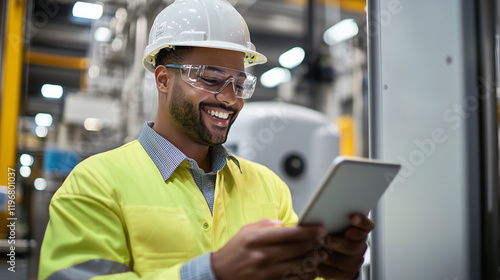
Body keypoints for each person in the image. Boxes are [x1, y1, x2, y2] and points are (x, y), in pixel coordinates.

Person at [38, 0, 373, 279]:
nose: (230, 99)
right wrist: (210, 272)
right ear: (163, 79)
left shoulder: (270, 189)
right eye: (212, 79)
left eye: (239, 84)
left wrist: (337, 272)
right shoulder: (95, 183)